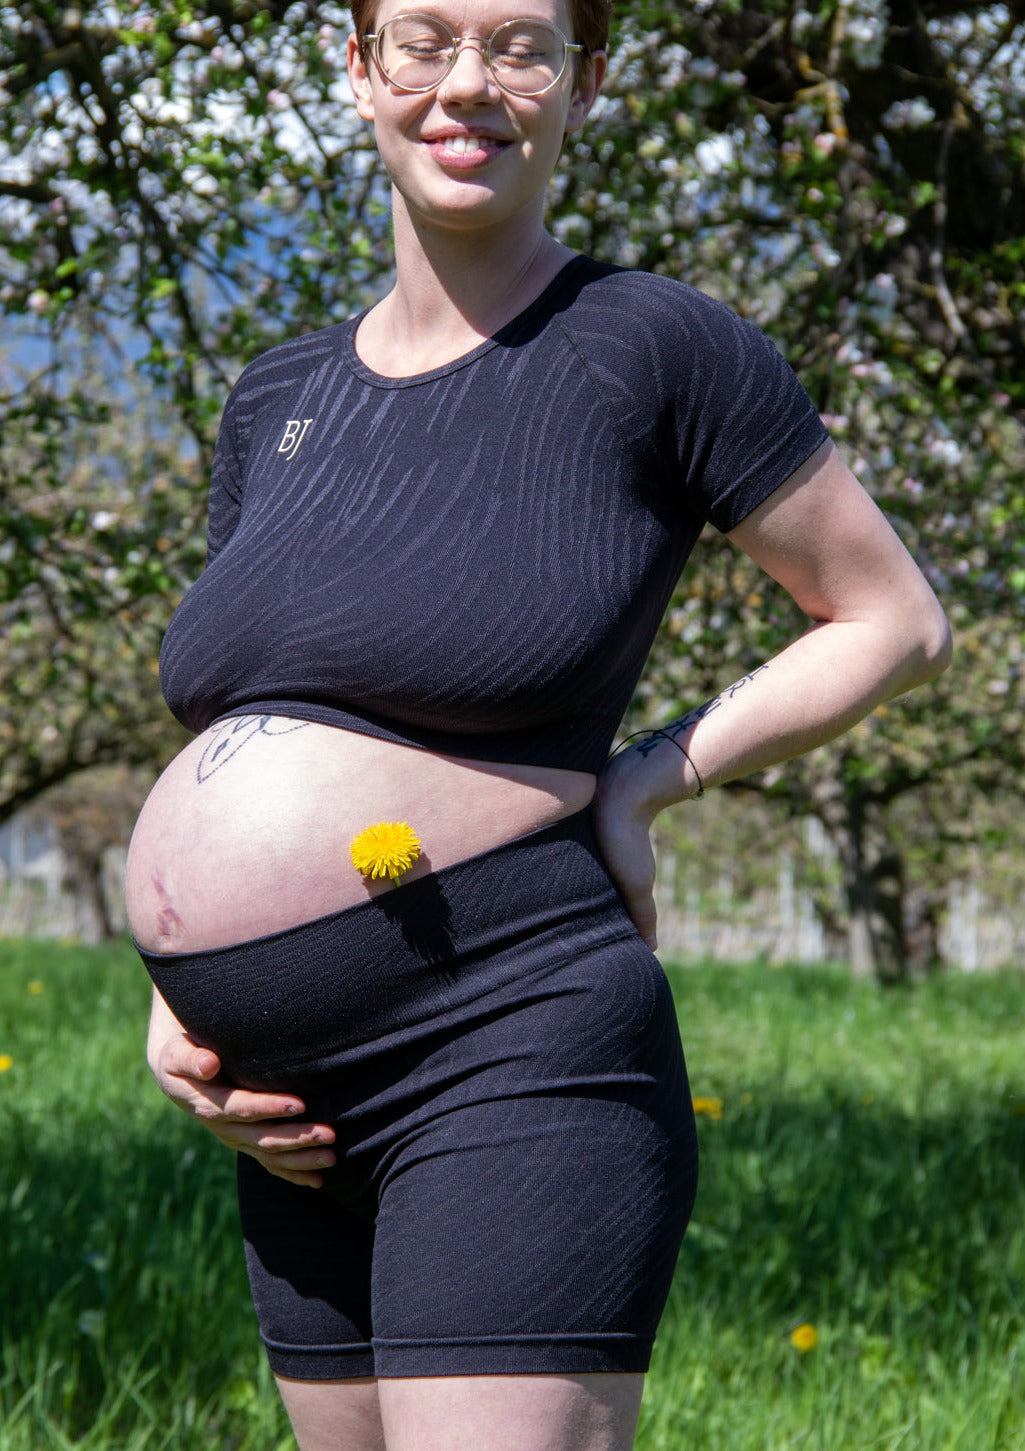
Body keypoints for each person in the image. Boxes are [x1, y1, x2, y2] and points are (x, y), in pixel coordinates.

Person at [127, 2, 952, 1448]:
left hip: (508, 1045)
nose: (467, 86)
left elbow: (890, 620)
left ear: (586, 80)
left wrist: (645, 783)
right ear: (357, 69)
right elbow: (247, 711)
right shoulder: (276, 399)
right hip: (289, 1111)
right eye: (424, 40)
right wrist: (179, 1000)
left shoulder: (649, 347)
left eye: (517, 46)